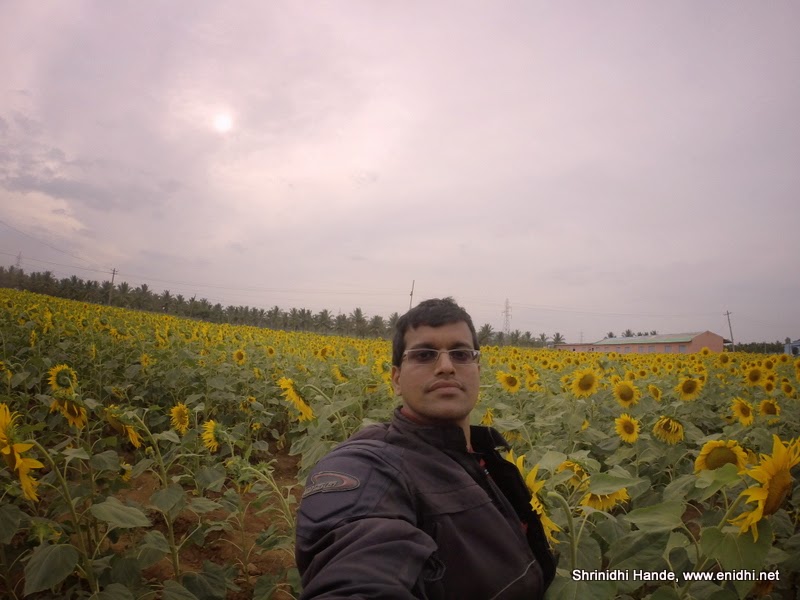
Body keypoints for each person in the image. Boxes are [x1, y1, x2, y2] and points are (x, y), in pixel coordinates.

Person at [295, 298, 556, 599]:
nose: (446, 367)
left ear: (478, 370)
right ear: (396, 379)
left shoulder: (488, 458)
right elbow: (359, 567)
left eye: (461, 354)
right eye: (424, 354)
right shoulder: (368, 466)